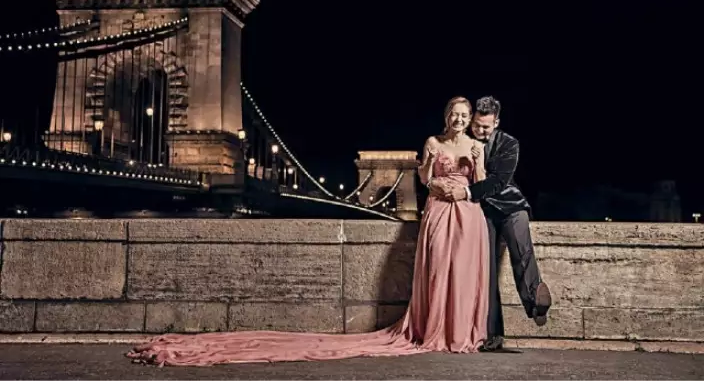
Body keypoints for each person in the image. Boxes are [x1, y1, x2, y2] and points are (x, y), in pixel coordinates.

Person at [126, 96, 491, 366]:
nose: (459, 119)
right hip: (439, 211)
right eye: (454, 114)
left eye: (464, 115)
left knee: (463, 272)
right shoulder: (432, 143)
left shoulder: (476, 146)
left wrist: (476, 166)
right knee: (437, 272)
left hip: (467, 213)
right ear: (446, 116)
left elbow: (482, 183)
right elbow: (424, 178)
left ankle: (459, 332)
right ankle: (436, 328)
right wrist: (428, 165)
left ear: (469, 118)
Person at [430, 95, 552, 352]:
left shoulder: (509, 144)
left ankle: (535, 301)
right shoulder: (466, 141)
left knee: (522, 249)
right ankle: (492, 335)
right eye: (476, 124)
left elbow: (498, 181)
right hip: (482, 211)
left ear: (496, 122)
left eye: (485, 127)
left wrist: (466, 192)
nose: (480, 130)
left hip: (510, 205)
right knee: (486, 272)